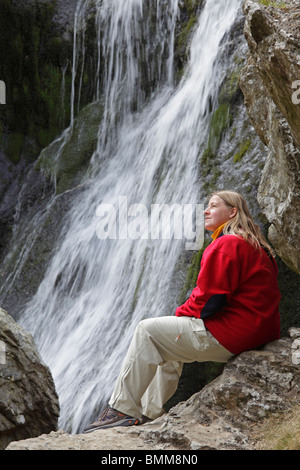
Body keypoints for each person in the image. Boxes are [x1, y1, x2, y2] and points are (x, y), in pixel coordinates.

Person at [83, 190, 281, 433]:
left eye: (213, 206)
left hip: (233, 334)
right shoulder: (258, 245)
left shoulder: (227, 244)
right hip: (258, 333)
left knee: (148, 331)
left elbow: (210, 298)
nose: (205, 211)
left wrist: (181, 313)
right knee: (168, 341)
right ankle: (147, 414)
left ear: (232, 212)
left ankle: (121, 410)